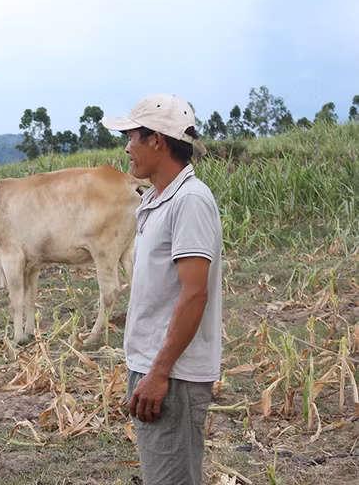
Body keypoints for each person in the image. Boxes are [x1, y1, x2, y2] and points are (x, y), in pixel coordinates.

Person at [101, 94, 223, 485]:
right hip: (155, 369)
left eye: (132, 136)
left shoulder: (189, 201)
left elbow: (194, 295)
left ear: (157, 140)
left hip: (173, 376)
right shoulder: (157, 199)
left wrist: (159, 372)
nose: (126, 147)